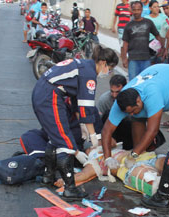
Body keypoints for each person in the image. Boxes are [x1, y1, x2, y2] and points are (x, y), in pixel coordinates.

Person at [31, 46, 119, 200]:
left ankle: (48, 175)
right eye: (110, 69)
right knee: (66, 143)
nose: (108, 72)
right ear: (103, 63)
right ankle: (70, 188)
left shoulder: (83, 65)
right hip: (49, 96)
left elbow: (76, 102)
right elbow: (86, 107)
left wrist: (83, 126)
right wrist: (92, 135)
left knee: (56, 137)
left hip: (43, 92)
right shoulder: (89, 75)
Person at [101, 64, 169, 170]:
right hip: (162, 81)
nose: (131, 114)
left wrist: (133, 155)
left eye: (133, 110)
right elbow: (106, 131)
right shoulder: (121, 102)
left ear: (139, 101)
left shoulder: (152, 95)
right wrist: (107, 158)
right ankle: (142, 157)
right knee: (136, 119)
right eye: (128, 112)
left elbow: (152, 130)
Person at [121, 1, 165, 80]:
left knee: (145, 82)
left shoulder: (148, 22)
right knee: (133, 82)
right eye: (134, 10)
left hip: (146, 59)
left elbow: (157, 35)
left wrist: (161, 49)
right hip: (133, 59)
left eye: (138, 9)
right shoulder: (128, 25)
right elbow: (125, 43)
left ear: (142, 10)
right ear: (131, 10)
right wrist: (124, 58)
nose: (136, 12)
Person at [96, 75, 133, 150]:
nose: (114, 95)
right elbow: (98, 122)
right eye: (112, 91)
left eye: (117, 92)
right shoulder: (104, 100)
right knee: (107, 114)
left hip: (128, 128)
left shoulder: (133, 98)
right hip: (111, 129)